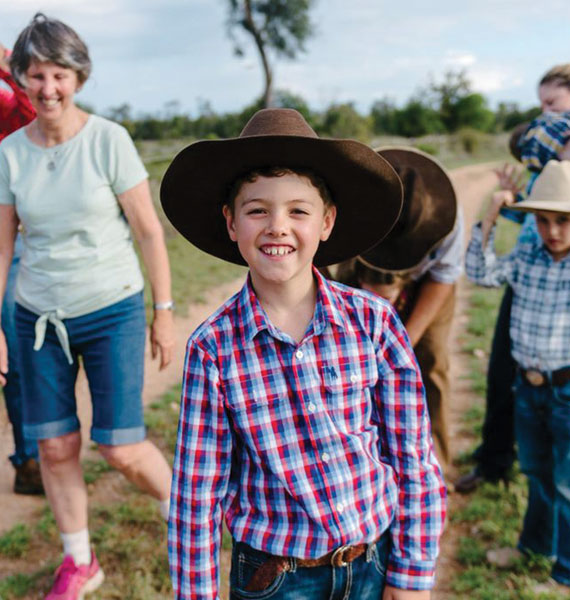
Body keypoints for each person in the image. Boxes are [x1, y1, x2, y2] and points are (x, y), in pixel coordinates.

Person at [162, 108, 446, 600]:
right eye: (257, 210)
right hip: (274, 576)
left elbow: (413, 457)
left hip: (371, 563)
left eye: (298, 210)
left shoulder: (374, 323)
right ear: (231, 223)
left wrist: (413, 575)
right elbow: (196, 494)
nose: (277, 226)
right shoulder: (212, 348)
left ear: (327, 222)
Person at [0, 14, 175, 600]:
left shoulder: (108, 140)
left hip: (110, 307)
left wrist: (165, 311)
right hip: (36, 315)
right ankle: (80, 562)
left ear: (77, 76)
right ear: (19, 78)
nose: (47, 88)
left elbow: (148, 232)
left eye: (59, 75)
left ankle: (189, 517)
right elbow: (2, 248)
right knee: (53, 445)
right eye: (35, 75)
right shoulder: (9, 153)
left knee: (120, 447)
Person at [455, 62, 570, 493]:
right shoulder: (553, 142)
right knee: (504, 369)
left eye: (551, 101)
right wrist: (516, 198)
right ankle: (496, 460)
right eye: (540, 104)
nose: (543, 113)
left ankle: (563, 472)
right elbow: (540, 217)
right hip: (530, 271)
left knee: (568, 379)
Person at [465, 159, 570, 593]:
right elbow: (481, 273)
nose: (552, 230)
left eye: (564, 220)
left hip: (569, 388)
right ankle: (536, 545)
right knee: (538, 471)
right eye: (542, 219)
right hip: (528, 384)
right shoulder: (528, 254)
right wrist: (489, 217)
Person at [334, 147, 463, 473]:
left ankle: (434, 471)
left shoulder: (447, 220)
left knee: (429, 363)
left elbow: (444, 276)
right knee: (349, 365)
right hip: (357, 273)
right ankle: (367, 467)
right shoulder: (345, 202)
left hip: (427, 283)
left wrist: (405, 343)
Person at [0, 42, 42, 494]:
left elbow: (37, 113)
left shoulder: (7, 97)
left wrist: (7, 64)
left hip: (6, 245)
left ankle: (29, 459)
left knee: (12, 355)